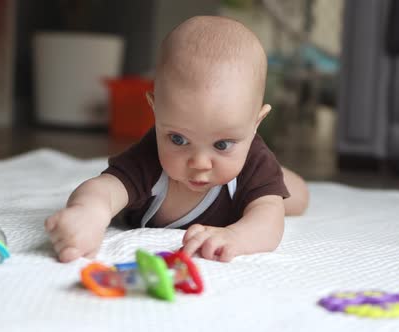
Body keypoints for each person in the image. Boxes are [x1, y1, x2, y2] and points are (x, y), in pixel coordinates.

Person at [45, 16, 309, 263]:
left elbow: (268, 222)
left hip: (252, 176)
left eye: (222, 145)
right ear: (155, 110)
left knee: (294, 199)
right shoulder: (148, 158)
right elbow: (104, 188)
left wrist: (236, 237)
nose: (200, 162)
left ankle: (277, 178)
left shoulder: (253, 161)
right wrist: (90, 213)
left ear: (255, 124)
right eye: (179, 139)